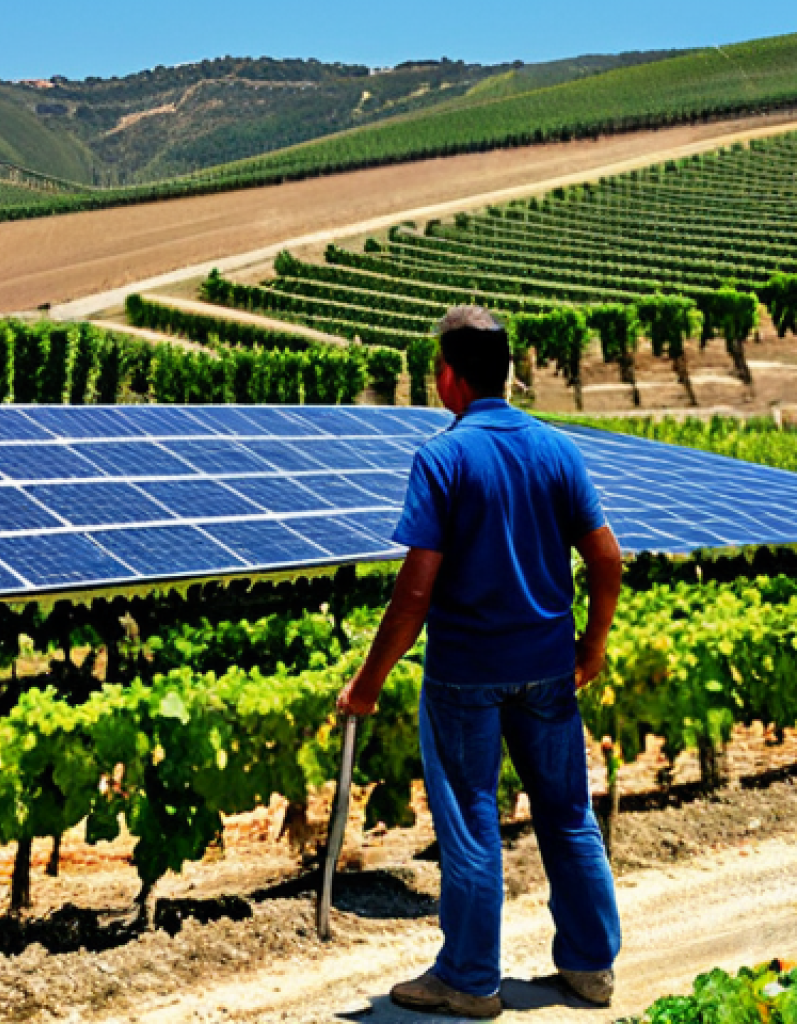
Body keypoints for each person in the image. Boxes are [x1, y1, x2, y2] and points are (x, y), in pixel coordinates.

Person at [336, 305, 622, 1019]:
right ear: (507, 373)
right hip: (549, 666)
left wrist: (367, 681)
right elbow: (607, 558)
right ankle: (591, 967)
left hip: (466, 674)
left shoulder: (443, 457)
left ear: (448, 377)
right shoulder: (556, 449)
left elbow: (415, 590)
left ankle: (469, 978)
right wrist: (592, 644)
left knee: (470, 816)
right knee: (569, 816)